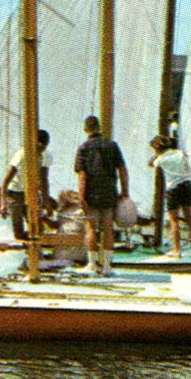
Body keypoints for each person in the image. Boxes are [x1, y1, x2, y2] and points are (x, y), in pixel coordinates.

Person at [74, 115, 128, 276]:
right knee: (108, 228)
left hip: (91, 193)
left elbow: (82, 175)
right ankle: (107, 266)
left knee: (91, 228)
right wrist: (125, 191)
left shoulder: (83, 148)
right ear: (99, 127)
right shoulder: (112, 146)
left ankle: (91, 264)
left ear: (86, 129)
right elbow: (122, 170)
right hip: (109, 191)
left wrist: (81, 197)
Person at [150, 135, 191, 257]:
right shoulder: (179, 153)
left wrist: (157, 154)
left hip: (173, 189)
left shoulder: (160, 160)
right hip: (186, 185)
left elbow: (151, 164)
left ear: (157, 149)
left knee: (174, 220)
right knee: (189, 218)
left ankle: (177, 250)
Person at [0, 129, 52, 241]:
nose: (42, 149)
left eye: (44, 146)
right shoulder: (22, 155)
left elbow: (44, 180)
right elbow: (5, 182)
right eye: (41, 146)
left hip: (31, 192)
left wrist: (47, 203)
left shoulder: (44, 156)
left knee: (38, 229)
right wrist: (3, 203)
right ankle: (27, 249)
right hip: (15, 193)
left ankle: (36, 250)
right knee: (18, 232)